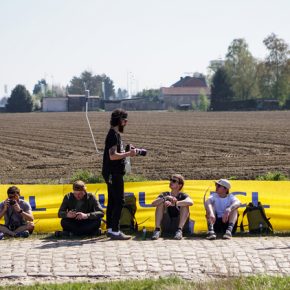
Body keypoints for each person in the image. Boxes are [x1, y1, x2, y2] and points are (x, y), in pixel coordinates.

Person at [102, 108, 137, 240]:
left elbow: (117, 151)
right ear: (119, 120)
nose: (126, 122)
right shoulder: (112, 135)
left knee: (112, 201)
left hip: (112, 172)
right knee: (119, 201)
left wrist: (127, 148)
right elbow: (112, 156)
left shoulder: (115, 134)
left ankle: (111, 229)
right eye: (124, 120)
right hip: (113, 173)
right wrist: (128, 154)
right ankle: (116, 230)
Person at [151, 174, 193, 240]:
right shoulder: (165, 194)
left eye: (174, 181)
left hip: (179, 224)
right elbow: (153, 204)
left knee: (185, 205)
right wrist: (165, 198)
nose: (171, 182)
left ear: (180, 185)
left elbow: (191, 202)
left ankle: (179, 230)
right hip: (167, 223)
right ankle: (157, 230)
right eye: (170, 180)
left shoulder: (183, 195)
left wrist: (176, 203)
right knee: (160, 203)